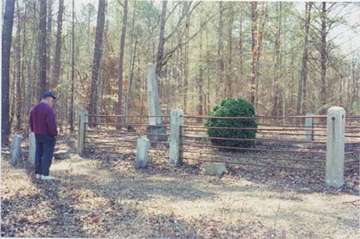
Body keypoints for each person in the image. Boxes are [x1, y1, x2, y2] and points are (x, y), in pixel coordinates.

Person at [29, 91, 58, 180]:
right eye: (52, 100)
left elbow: (30, 122)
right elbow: (51, 124)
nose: (52, 103)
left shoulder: (34, 108)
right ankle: (45, 174)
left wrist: (34, 130)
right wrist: (54, 133)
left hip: (37, 134)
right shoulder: (48, 110)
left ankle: (38, 173)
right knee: (47, 154)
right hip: (47, 134)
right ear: (48, 99)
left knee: (38, 153)